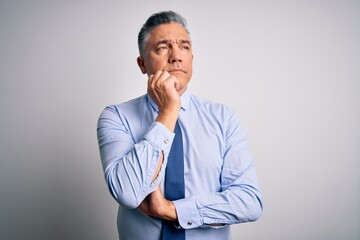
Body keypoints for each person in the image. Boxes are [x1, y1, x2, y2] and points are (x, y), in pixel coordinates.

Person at [97, 11, 263, 240]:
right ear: (142, 63)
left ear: (192, 58)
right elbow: (127, 192)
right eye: (162, 47)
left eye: (184, 46)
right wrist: (168, 111)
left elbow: (249, 202)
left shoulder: (224, 119)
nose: (176, 56)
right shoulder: (116, 117)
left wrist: (172, 210)